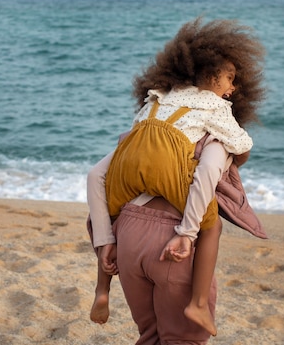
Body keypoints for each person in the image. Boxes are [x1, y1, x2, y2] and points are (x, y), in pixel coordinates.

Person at [87, 17, 266, 343]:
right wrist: (187, 231)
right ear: (215, 80)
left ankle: (102, 287)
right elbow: (214, 168)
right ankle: (197, 303)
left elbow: (98, 174)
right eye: (230, 79)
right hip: (171, 238)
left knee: (150, 335)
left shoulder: (152, 110)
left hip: (126, 236)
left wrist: (106, 241)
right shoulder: (214, 123)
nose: (233, 87)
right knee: (183, 338)